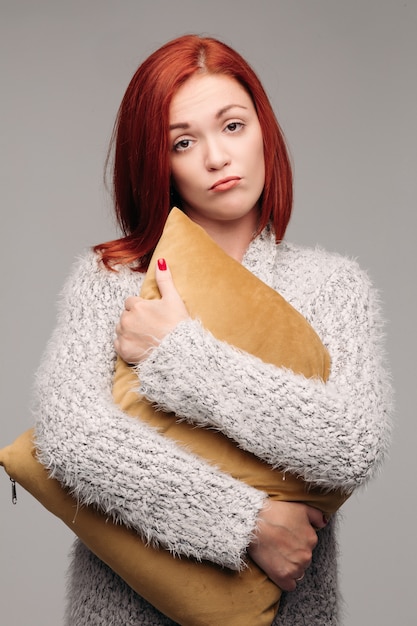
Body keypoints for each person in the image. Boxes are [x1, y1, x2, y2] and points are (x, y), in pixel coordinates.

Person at [33, 34, 392, 625]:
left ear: (263, 131)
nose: (217, 158)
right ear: (158, 161)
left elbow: (351, 447)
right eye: (183, 141)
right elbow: (71, 438)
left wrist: (178, 355)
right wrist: (247, 523)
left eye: (232, 126)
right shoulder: (110, 280)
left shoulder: (334, 286)